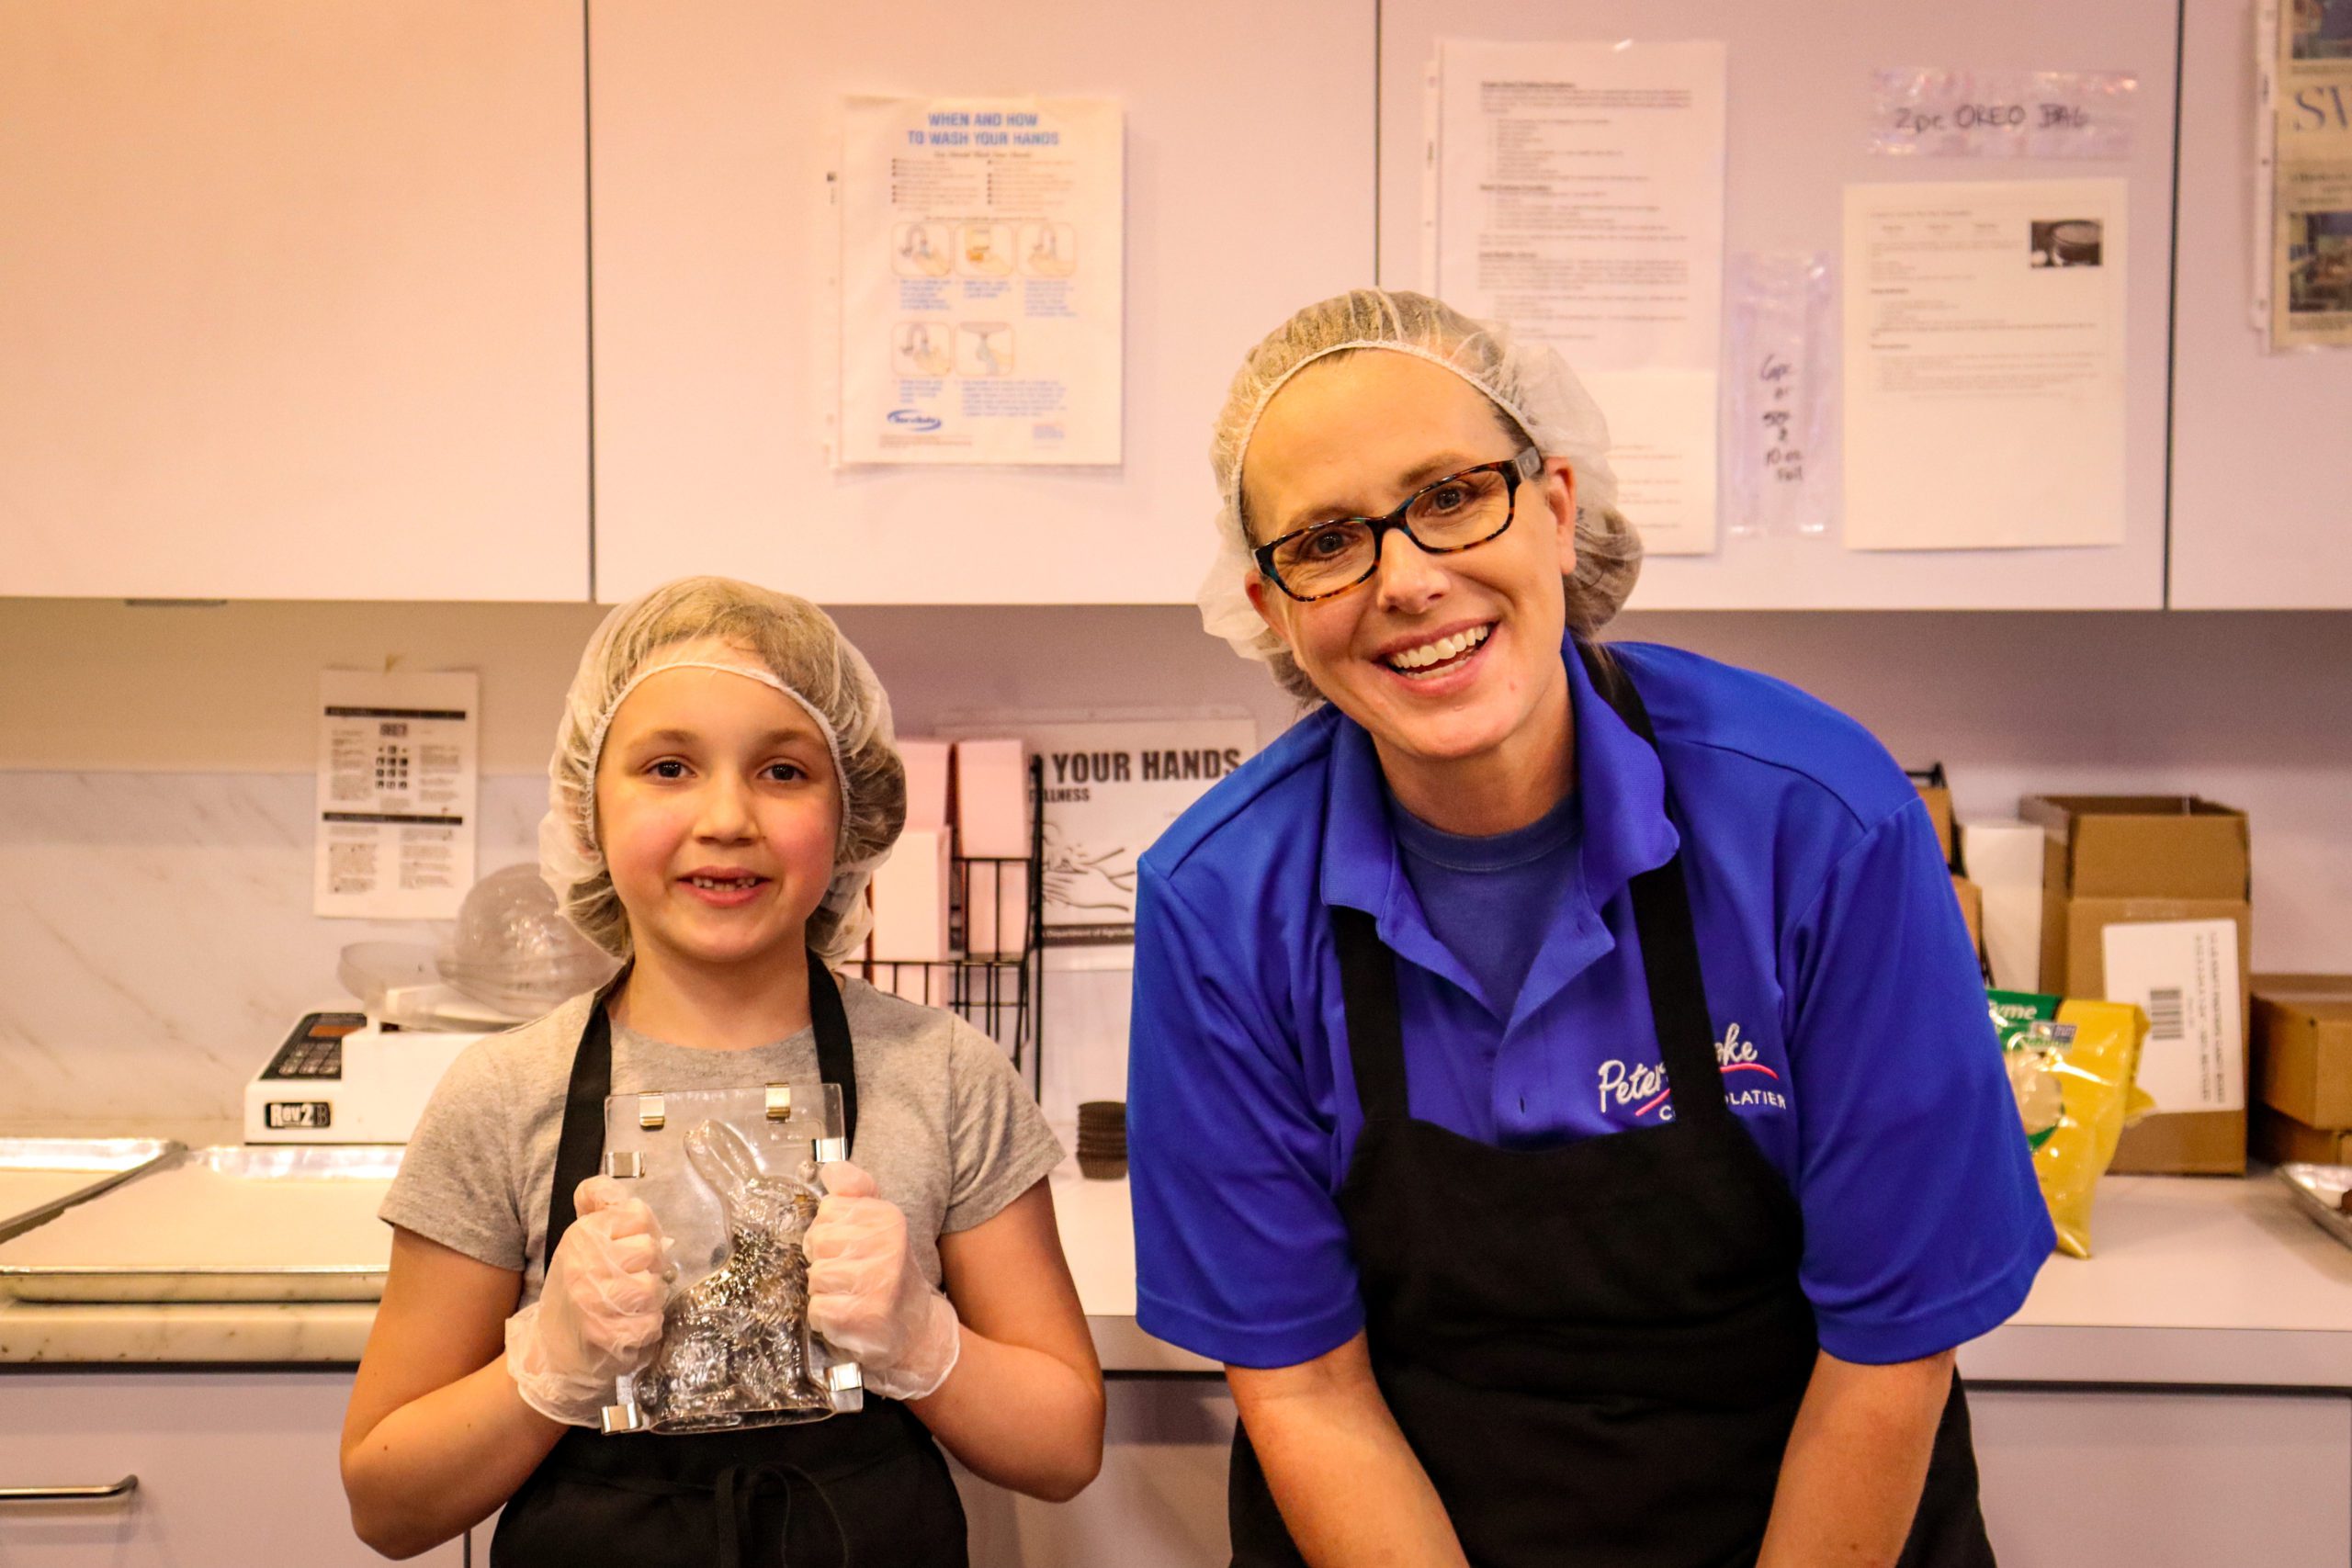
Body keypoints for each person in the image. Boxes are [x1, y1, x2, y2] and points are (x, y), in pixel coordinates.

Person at [1127, 290, 2052, 1567]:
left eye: (1452, 494)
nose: (1406, 579)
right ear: (1274, 605)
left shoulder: (1816, 821)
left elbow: (1890, 1354)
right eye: (1330, 540)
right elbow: (1306, 1389)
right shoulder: (1223, 900)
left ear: (1556, 506)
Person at [342, 577, 1102, 1564]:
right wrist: (544, 1365)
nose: (727, 817)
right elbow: (387, 1506)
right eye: (668, 767)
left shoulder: (946, 1073)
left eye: (783, 772)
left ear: (852, 811)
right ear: (586, 807)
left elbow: (1064, 1447)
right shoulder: (502, 1096)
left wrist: (922, 1340)